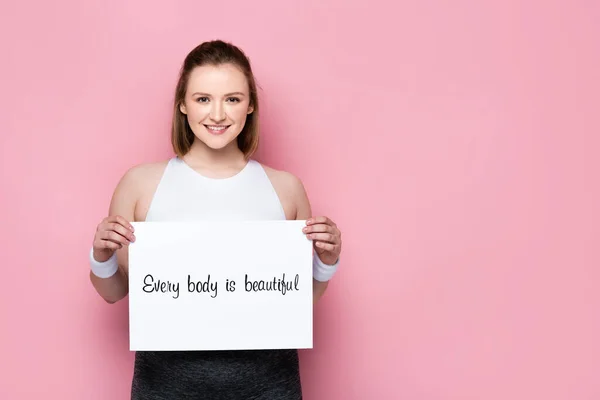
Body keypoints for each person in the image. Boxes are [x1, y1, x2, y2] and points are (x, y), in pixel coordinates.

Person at [88, 40, 342, 399]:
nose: (218, 114)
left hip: (268, 385)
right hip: (165, 386)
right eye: (203, 98)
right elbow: (114, 292)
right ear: (183, 104)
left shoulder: (286, 188)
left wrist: (325, 263)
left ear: (250, 105)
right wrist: (101, 255)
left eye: (233, 99)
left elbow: (297, 301)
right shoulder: (140, 184)